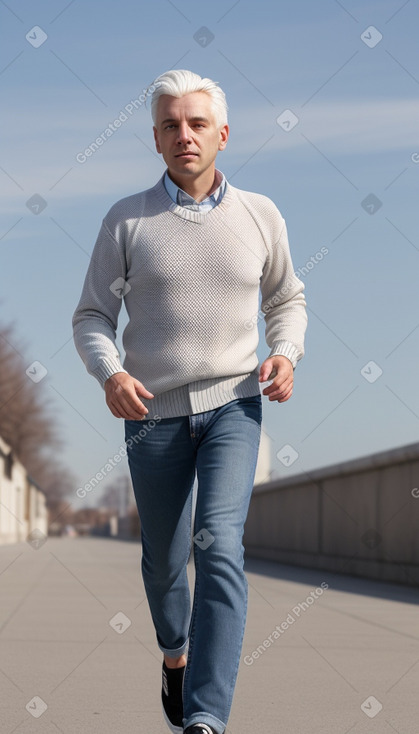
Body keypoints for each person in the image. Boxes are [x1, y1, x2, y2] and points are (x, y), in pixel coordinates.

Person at [72, 68, 308, 734]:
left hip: (235, 406)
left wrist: (285, 354)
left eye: (197, 123)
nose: (185, 135)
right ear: (155, 139)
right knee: (163, 560)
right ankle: (174, 653)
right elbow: (91, 315)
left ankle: (205, 717)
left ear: (222, 135)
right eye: (171, 125)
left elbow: (285, 298)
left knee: (220, 548)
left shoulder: (259, 215)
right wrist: (111, 372)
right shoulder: (127, 221)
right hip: (152, 419)